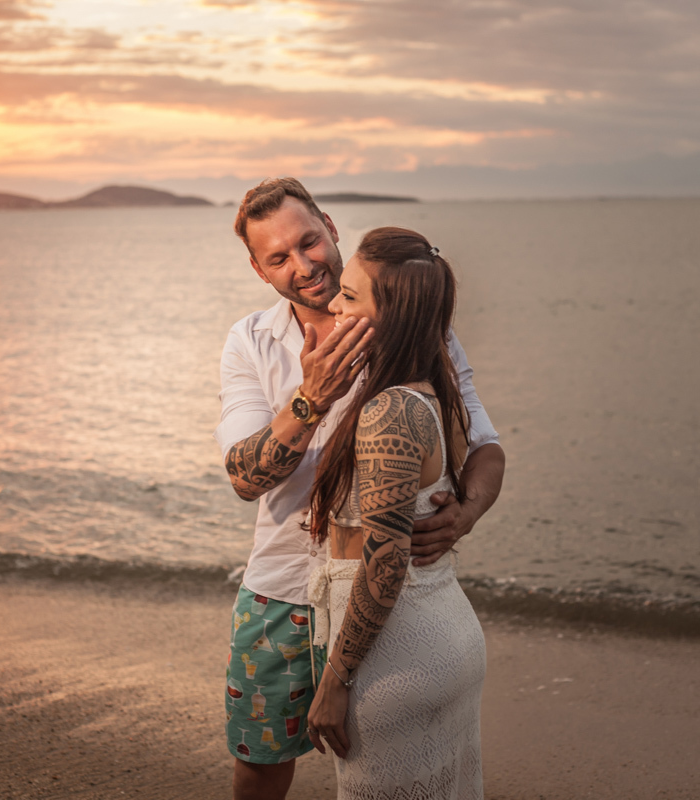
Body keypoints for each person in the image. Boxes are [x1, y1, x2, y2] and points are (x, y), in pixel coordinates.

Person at [217, 178, 504, 800]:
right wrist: (310, 398)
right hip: (283, 592)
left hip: (379, 598)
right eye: (278, 257)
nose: (303, 265)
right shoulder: (250, 341)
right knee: (260, 762)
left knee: (394, 760)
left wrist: (470, 511)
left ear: (329, 225)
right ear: (257, 267)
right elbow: (244, 477)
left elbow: (484, 445)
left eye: (308, 241)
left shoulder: (412, 328)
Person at [304, 228, 485, 799]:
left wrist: (335, 680)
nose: (334, 301)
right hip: (444, 632)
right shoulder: (439, 388)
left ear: (395, 315)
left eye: (351, 296)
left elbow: (385, 563)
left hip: (397, 656)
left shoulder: (388, 411)